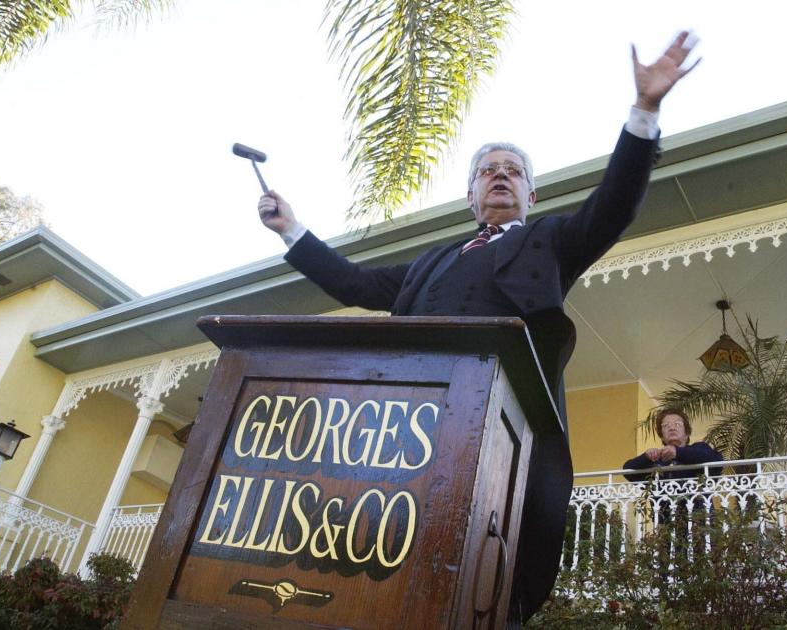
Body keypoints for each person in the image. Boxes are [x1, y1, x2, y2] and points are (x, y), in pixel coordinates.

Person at [258, 32, 699, 625]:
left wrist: (644, 111)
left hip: (502, 438)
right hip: (406, 435)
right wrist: (292, 229)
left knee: (481, 578)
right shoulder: (428, 263)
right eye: (488, 170)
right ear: (469, 195)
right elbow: (355, 284)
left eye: (513, 171)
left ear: (530, 192)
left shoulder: (551, 242)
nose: (500, 176)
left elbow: (615, 204)